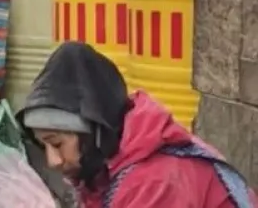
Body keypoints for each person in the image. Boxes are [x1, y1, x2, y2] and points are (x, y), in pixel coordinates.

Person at [21, 42, 257, 208]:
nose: (53, 160)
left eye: (57, 143)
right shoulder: (112, 165)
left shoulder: (155, 181)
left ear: (95, 132)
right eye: (44, 146)